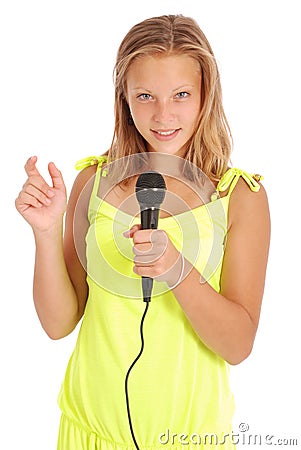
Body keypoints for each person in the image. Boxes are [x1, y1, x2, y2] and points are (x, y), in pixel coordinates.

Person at [15, 14, 270, 450]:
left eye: (182, 95)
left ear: (207, 95)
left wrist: (176, 269)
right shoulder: (91, 182)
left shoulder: (240, 196)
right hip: (88, 435)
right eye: (145, 96)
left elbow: (238, 345)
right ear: (124, 99)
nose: (163, 114)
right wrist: (45, 232)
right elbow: (59, 325)